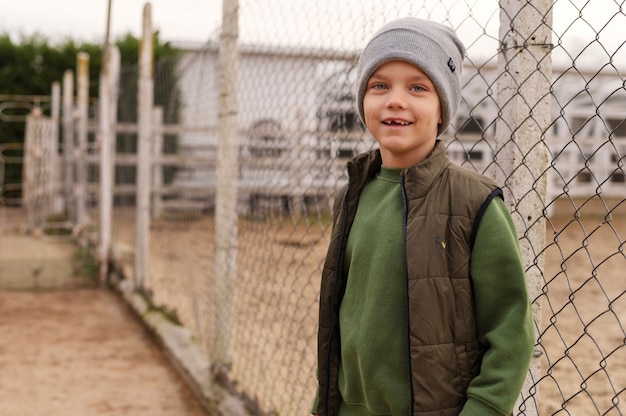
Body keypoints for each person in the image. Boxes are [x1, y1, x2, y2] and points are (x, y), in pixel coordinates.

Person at [312, 17, 535, 416]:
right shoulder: (351, 196)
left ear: (442, 109)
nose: (395, 100)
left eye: (418, 87)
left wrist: (483, 408)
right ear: (363, 100)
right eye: (380, 85)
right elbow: (339, 316)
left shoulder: (474, 203)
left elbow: (510, 330)